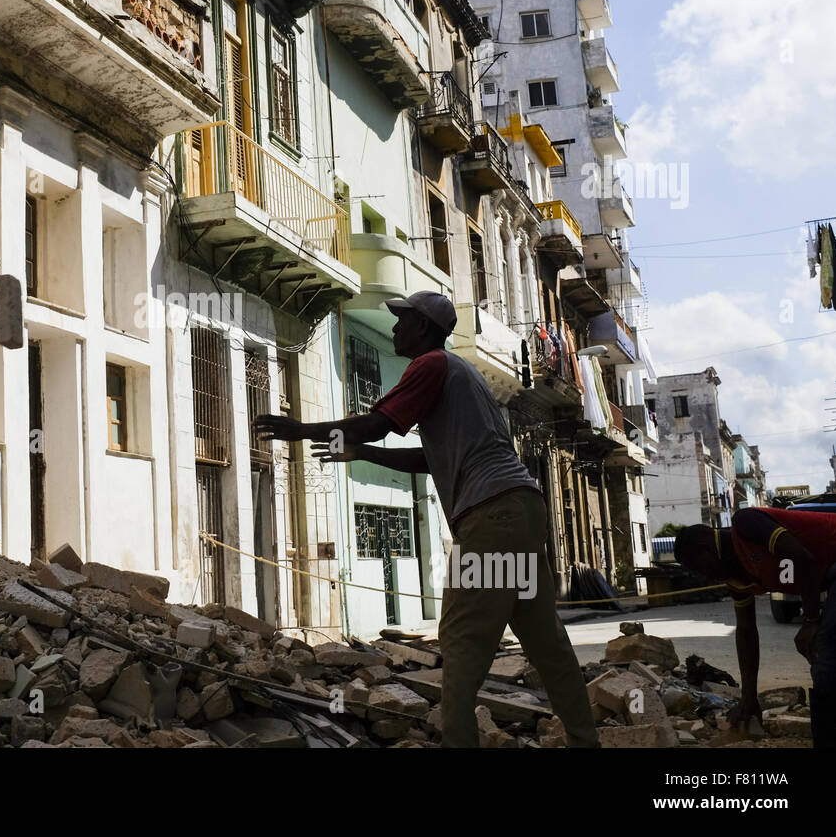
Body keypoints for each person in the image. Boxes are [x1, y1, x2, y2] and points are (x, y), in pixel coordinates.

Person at [255, 291, 597, 747]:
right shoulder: (462, 376)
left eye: (403, 321)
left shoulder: (431, 364)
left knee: (460, 639)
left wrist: (302, 431)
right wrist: (363, 452)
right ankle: (584, 740)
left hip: (491, 516)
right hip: (519, 511)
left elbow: (378, 422)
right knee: (546, 643)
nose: (396, 328)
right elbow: (432, 456)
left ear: (424, 328)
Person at [674, 507, 836, 748]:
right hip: (832, 573)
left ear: (706, 549)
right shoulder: (736, 577)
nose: (706, 578)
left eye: (699, 568)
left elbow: (802, 558)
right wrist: (749, 697)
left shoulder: (746, 523)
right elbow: (746, 632)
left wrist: (811, 621)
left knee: (826, 658)